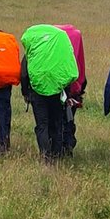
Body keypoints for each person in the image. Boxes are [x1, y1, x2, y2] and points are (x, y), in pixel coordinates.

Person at [20, 24, 79, 162]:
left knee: (42, 125)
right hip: (57, 92)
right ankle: (56, 155)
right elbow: (67, 72)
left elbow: (23, 74)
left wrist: (25, 92)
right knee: (56, 123)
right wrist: (67, 93)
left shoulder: (33, 51)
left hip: (37, 93)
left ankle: (45, 157)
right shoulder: (59, 52)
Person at [56, 24, 86, 156]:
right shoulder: (76, 36)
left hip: (53, 87)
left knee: (55, 119)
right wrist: (80, 88)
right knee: (69, 119)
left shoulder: (52, 39)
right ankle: (68, 146)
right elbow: (81, 65)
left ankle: (56, 148)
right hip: (73, 88)